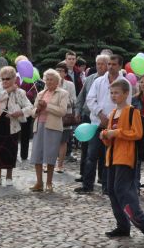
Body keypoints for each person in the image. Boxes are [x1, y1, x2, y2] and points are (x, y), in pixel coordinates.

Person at [101, 80, 144, 242]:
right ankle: (123, 226)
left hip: (126, 157)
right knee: (111, 190)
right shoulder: (113, 113)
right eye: (112, 93)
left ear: (125, 94)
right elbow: (111, 139)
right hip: (111, 157)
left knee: (122, 190)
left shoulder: (132, 112)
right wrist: (105, 136)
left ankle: (143, 220)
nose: (113, 96)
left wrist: (116, 133)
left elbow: (137, 133)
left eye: (116, 93)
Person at [86, 54, 131, 193]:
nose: (110, 67)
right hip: (96, 124)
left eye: (114, 64)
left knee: (109, 158)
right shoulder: (99, 81)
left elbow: (126, 104)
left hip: (114, 126)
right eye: (109, 64)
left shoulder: (125, 83)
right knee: (91, 156)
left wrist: (111, 119)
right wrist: (100, 114)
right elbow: (90, 99)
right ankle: (87, 185)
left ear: (120, 66)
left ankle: (107, 187)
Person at [0, 66, 33, 185]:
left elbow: (30, 107)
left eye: (8, 78)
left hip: (12, 124)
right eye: (3, 79)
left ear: (14, 78)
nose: (5, 81)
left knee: (10, 150)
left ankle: (9, 177)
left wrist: (20, 112)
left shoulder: (20, 92)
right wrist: (8, 90)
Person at [30, 69, 69, 192]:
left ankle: (49, 182)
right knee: (37, 155)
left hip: (53, 127)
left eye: (51, 79)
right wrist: (37, 110)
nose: (49, 81)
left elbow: (62, 111)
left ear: (57, 81)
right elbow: (33, 112)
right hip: (39, 125)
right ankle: (39, 182)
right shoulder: (41, 93)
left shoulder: (62, 93)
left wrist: (47, 106)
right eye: (47, 79)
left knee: (50, 155)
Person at [74, 54, 108, 192]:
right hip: (89, 118)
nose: (100, 66)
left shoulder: (111, 81)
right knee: (89, 152)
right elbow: (82, 97)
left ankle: (105, 182)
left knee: (105, 155)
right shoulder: (89, 79)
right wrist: (77, 111)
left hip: (106, 121)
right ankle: (87, 183)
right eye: (98, 63)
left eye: (103, 63)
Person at [55, 62, 77, 173]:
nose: (59, 73)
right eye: (57, 70)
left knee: (63, 141)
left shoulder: (70, 85)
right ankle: (49, 163)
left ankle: (60, 165)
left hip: (65, 116)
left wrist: (64, 102)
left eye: (61, 71)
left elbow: (74, 100)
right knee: (52, 141)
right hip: (52, 115)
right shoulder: (49, 83)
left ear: (65, 73)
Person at [17, 74, 38, 161]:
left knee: (25, 132)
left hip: (27, 107)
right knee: (13, 131)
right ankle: (13, 153)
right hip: (14, 107)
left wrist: (27, 94)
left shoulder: (31, 78)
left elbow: (34, 92)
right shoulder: (14, 76)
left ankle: (24, 155)